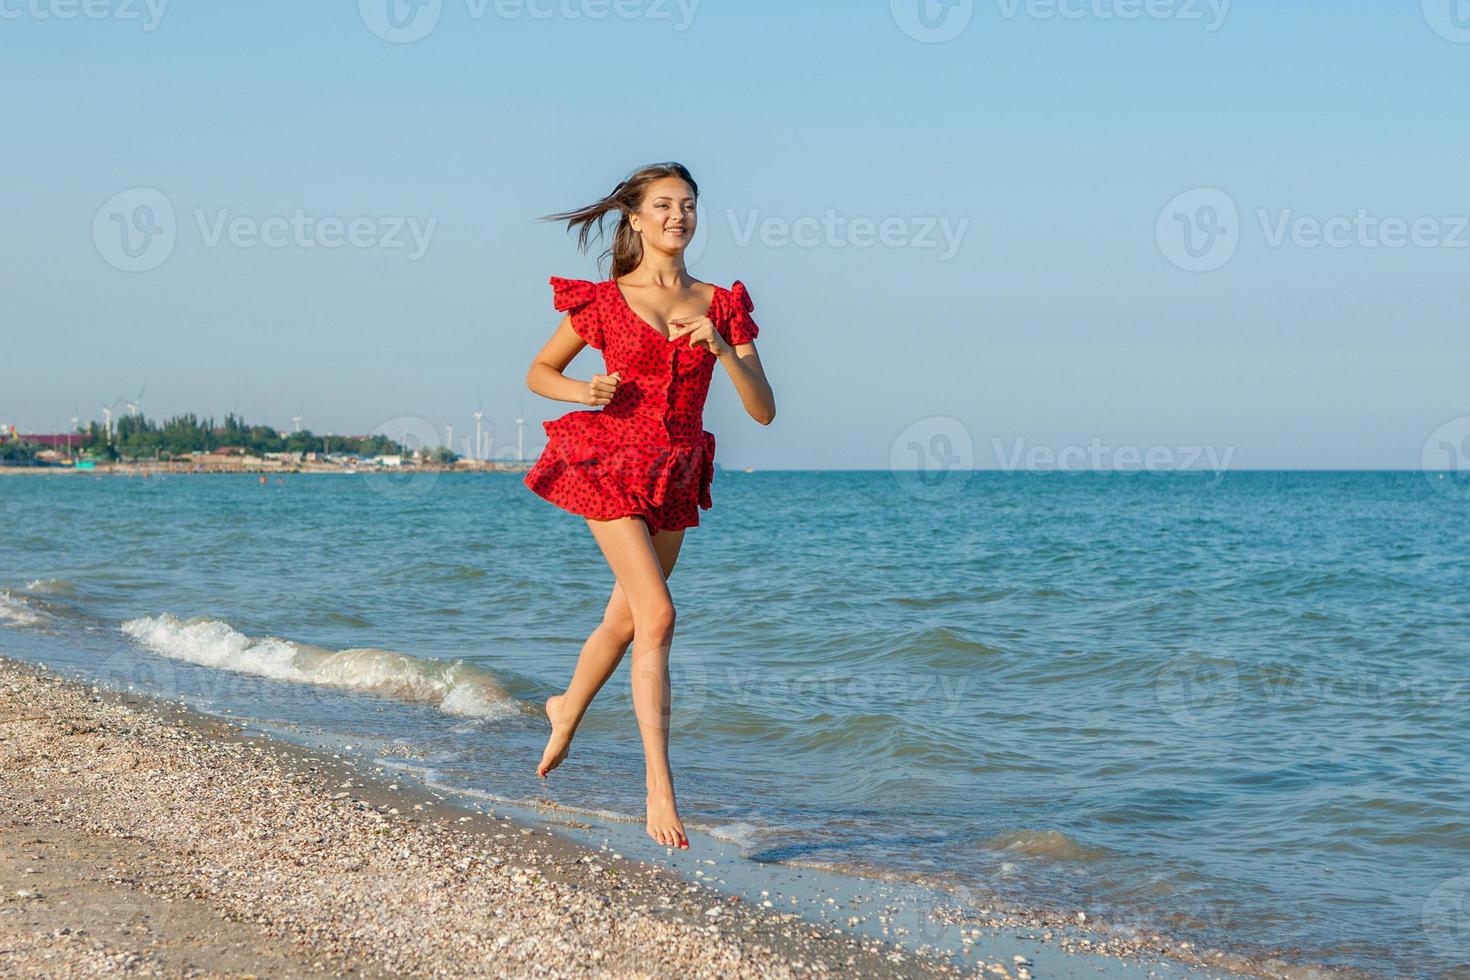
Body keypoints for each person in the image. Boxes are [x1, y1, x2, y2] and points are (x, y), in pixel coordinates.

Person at [523, 162, 776, 850]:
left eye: (688, 204)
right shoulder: (604, 302)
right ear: (635, 217)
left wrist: (725, 351)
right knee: (660, 614)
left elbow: (764, 412)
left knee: (628, 619)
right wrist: (587, 393)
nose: (679, 215)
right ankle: (659, 789)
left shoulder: (723, 304)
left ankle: (565, 707)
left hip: (676, 471)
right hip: (608, 461)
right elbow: (540, 372)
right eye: (664, 204)